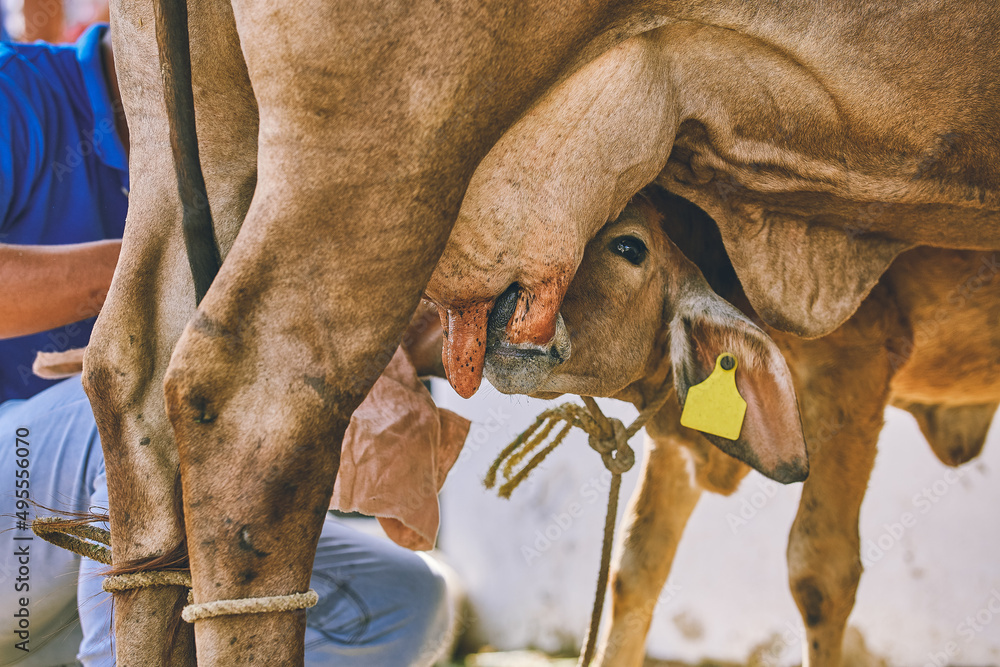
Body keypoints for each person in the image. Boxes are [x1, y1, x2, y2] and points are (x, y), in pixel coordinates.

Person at [0, 23, 451, 667]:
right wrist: (149, 272)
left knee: (403, 601)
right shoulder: (18, 92)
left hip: (58, 592)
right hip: (16, 512)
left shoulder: (261, 152)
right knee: (149, 387)